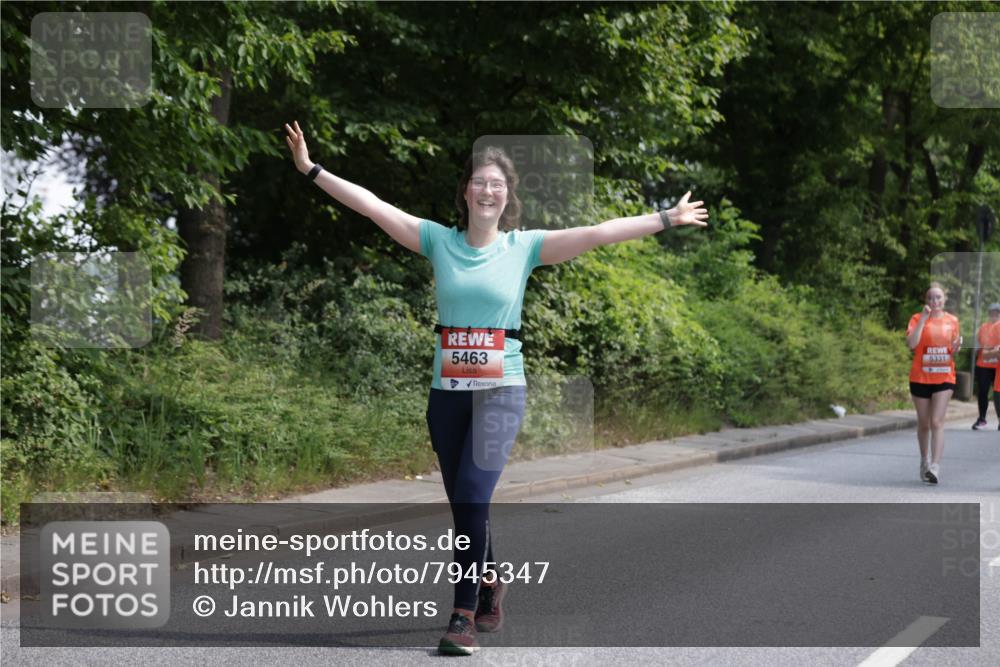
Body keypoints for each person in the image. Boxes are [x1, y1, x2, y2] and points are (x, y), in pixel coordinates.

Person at [284, 120, 708, 654]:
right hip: (447, 393)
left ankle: (461, 617)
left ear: (507, 198)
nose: (488, 190)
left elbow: (599, 232)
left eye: (498, 185)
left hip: (501, 390)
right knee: (467, 507)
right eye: (480, 182)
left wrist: (666, 217)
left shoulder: (524, 247)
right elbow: (372, 206)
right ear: (465, 192)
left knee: (472, 495)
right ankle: (490, 582)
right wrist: (311, 169)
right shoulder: (437, 240)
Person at [905, 283, 961, 484]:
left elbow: (953, 349)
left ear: (944, 299)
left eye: (938, 297)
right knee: (924, 423)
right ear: (925, 301)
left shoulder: (952, 321)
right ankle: (924, 460)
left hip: (945, 377)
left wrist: (956, 347)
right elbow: (912, 344)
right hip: (920, 377)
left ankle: (935, 467)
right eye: (930, 298)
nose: (934, 301)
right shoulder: (916, 319)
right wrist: (923, 319)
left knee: (937, 421)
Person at [971, 302, 1000, 429]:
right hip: (983, 365)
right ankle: (982, 419)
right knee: (982, 392)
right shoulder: (983, 327)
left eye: (997, 312)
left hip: (998, 366)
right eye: (992, 312)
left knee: (998, 394)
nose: (994, 315)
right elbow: (977, 345)